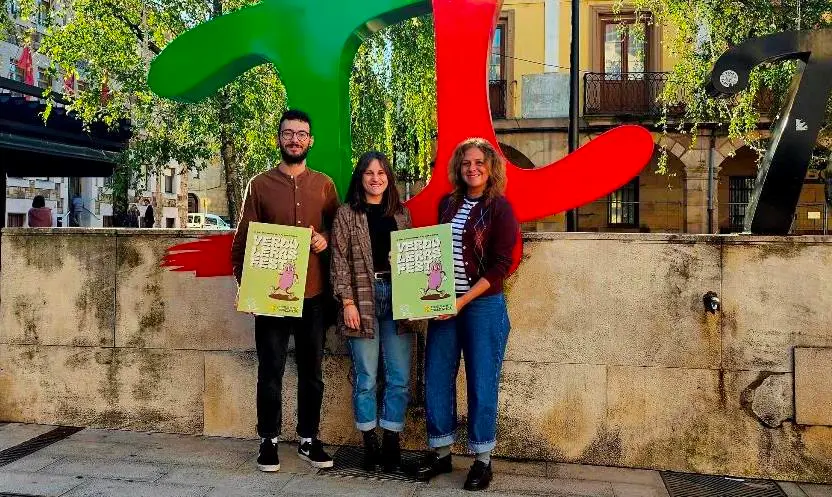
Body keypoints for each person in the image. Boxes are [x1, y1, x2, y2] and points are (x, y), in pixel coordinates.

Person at [231, 109, 340, 473]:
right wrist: (246, 288)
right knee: (270, 370)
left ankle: (309, 439)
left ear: (310, 141)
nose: (294, 139)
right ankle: (269, 441)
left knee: (313, 372)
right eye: (288, 133)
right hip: (271, 298)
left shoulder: (324, 185)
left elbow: (338, 232)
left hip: (313, 295)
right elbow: (243, 240)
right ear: (278, 138)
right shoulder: (259, 185)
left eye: (301, 134)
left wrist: (324, 240)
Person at [410, 138, 519, 491]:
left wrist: (461, 301)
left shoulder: (500, 209)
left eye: (478, 162)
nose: (472, 168)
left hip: (482, 306)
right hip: (445, 303)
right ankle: (441, 452)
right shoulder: (448, 203)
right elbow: (435, 253)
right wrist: (425, 295)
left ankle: (482, 460)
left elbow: (502, 266)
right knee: (438, 374)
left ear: (490, 168)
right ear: (458, 168)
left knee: (481, 379)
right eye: (466, 163)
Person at [330, 151, 416, 473]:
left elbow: (415, 261)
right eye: (369, 172)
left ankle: (392, 436)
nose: (375, 178)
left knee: (398, 376)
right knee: (366, 377)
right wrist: (347, 302)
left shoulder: (402, 214)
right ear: (360, 178)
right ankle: (369, 440)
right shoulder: (346, 214)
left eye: (381, 172)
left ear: (388, 178)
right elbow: (339, 262)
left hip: (398, 297)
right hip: (362, 299)